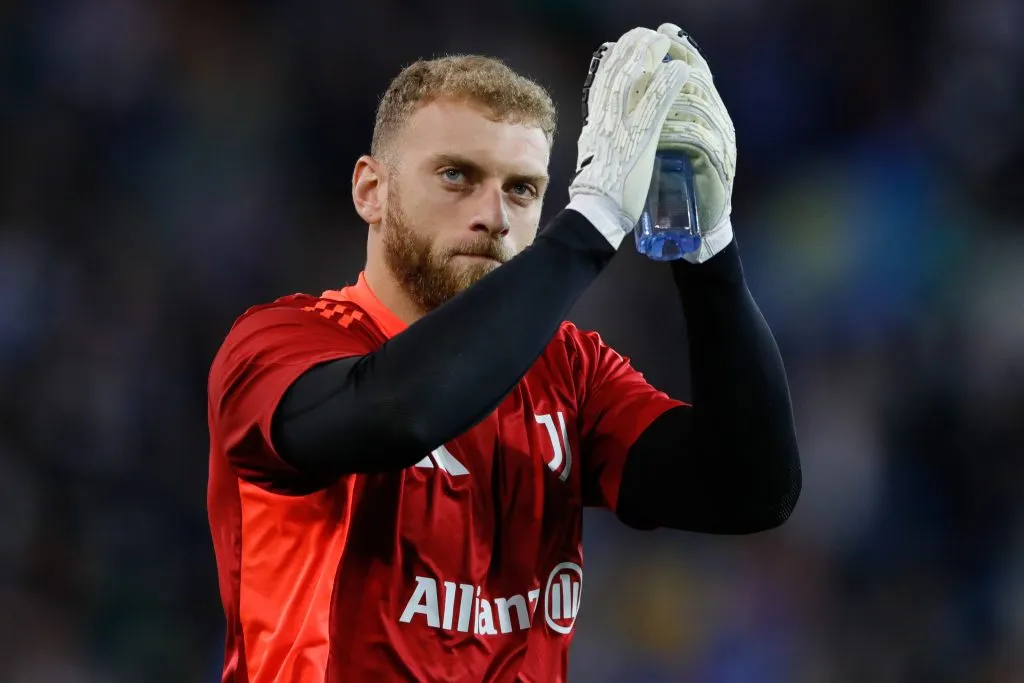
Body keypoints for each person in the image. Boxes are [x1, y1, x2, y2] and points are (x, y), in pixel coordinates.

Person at [207, 24, 800, 683]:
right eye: (457, 175)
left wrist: (707, 249)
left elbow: (752, 491)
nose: (494, 214)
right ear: (371, 190)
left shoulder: (568, 371)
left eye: (522, 189)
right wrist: (595, 219)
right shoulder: (278, 342)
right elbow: (401, 411)